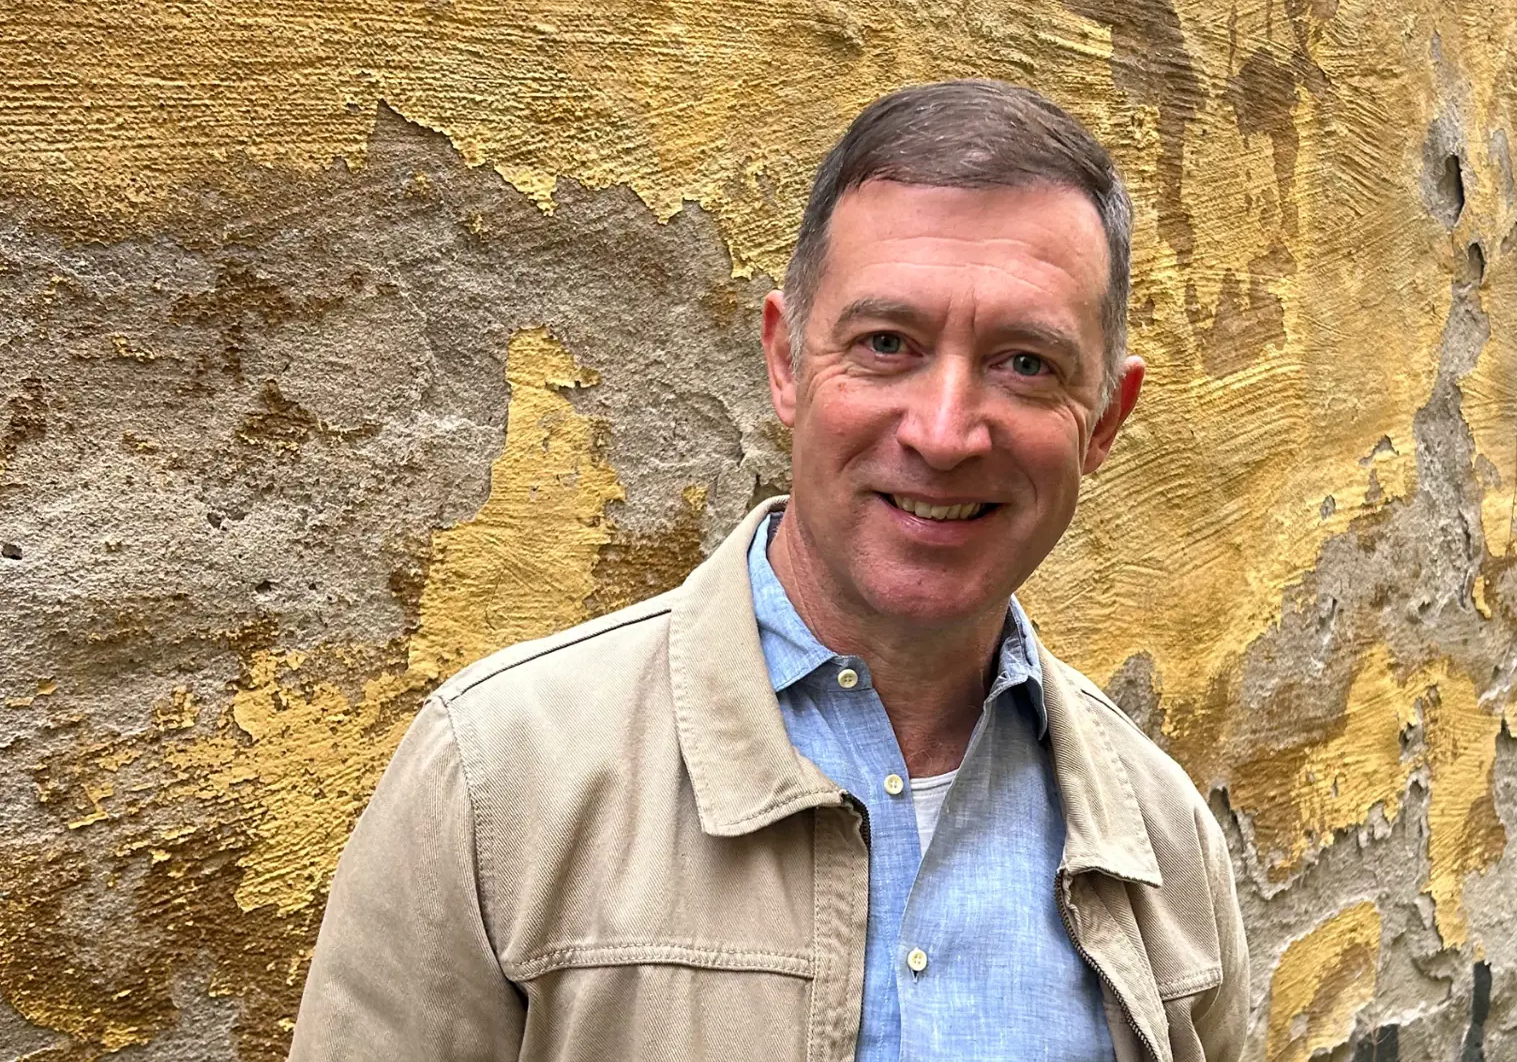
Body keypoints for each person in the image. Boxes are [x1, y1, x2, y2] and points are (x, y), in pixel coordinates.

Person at [290, 78, 1249, 1062]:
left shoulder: (1169, 850)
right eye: (887, 344)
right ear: (787, 362)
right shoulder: (498, 780)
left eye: (1026, 364)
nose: (945, 432)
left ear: (1106, 419)